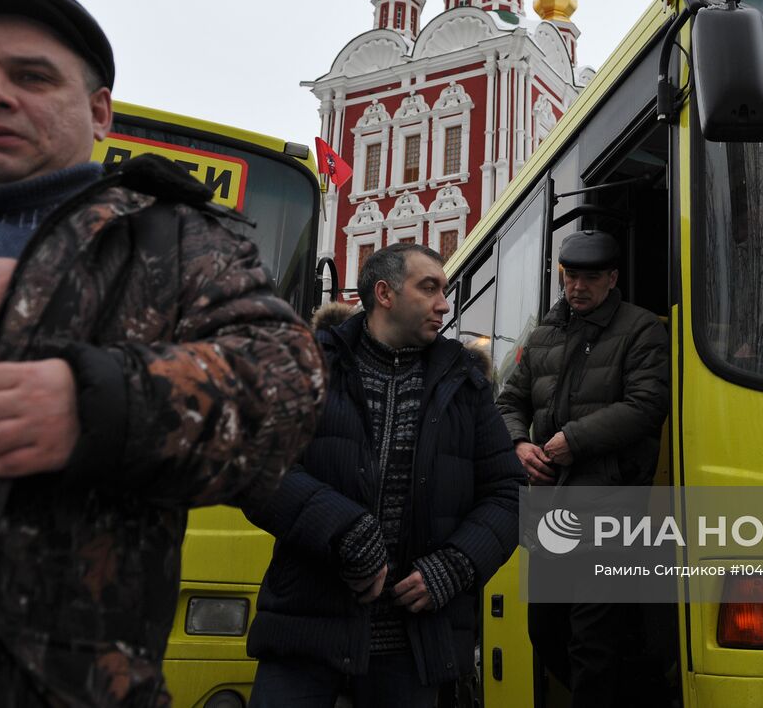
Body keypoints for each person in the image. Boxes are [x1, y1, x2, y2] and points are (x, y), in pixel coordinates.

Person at [0, 0, 325, 707]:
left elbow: (288, 384)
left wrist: (107, 405)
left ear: (98, 112)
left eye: (30, 76)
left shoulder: (177, 241)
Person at [245, 243, 523, 707]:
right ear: (385, 293)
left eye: (446, 290)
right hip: (306, 633)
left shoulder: (465, 384)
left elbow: (510, 492)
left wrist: (454, 565)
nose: (444, 304)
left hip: (413, 650)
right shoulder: (307, 365)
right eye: (429, 287)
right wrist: (343, 530)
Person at [495, 230, 670, 708]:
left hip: (613, 507)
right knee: (544, 630)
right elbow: (508, 400)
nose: (578, 287)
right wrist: (517, 444)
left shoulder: (641, 329)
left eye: (590, 278)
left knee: (595, 639)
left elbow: (649, 404)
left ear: (612, 279)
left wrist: (575, 440)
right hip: (551, 508)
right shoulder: (543, 333)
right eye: (571, 276)